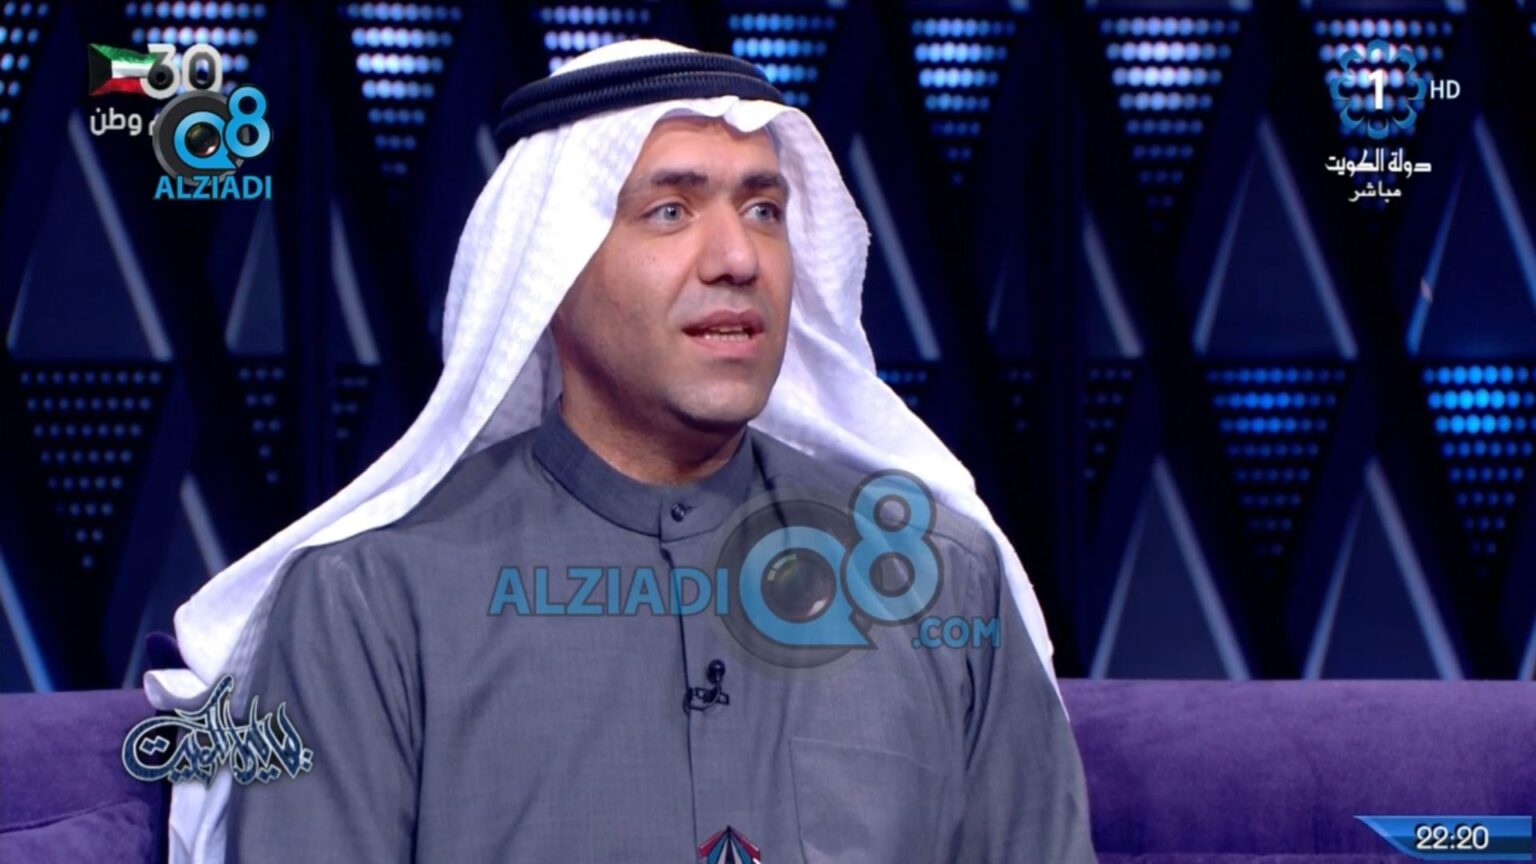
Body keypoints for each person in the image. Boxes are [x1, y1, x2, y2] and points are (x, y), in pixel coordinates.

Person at [147, 39, 1096, 863]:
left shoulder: (941, 581)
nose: (738, 257)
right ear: (551, 274)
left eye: (764, 210)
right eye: (670, 211)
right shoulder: (369, 603)